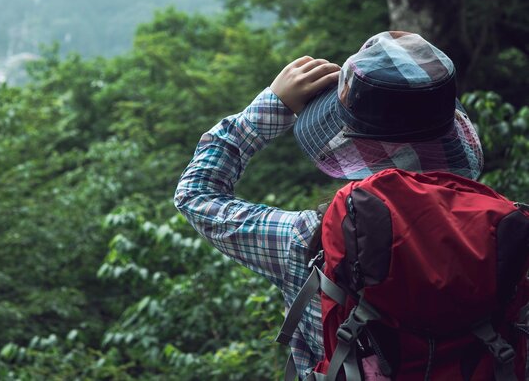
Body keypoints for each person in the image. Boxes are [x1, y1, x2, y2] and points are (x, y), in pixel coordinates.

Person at [173, 31, 485, 377]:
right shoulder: (501, 231)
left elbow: (196, 193)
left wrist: (269, 108)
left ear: (353, 148)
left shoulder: (310, 241)